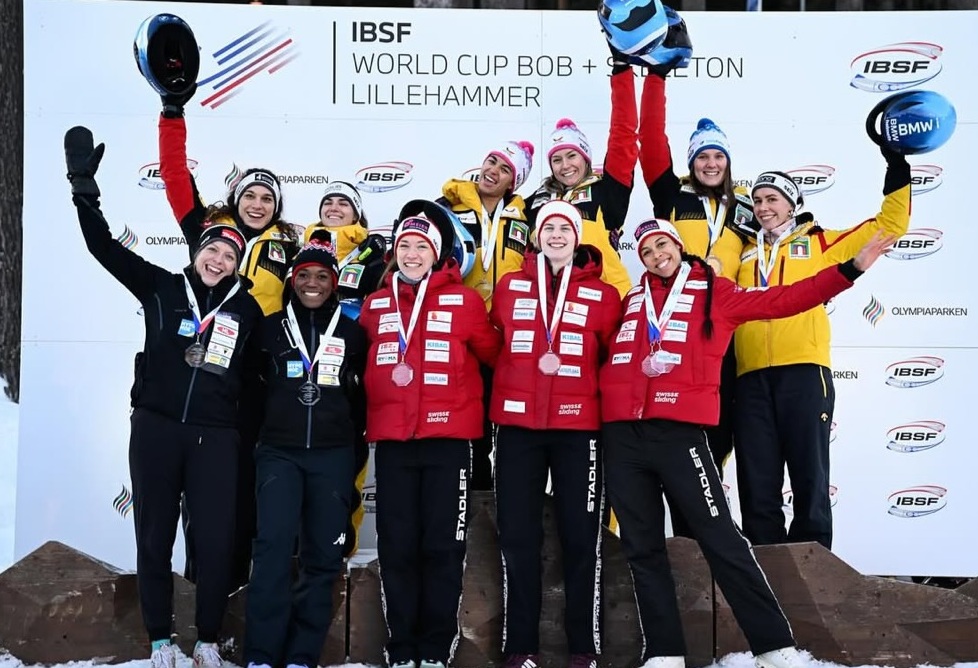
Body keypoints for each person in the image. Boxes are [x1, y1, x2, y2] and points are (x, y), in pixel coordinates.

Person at [599, 217, 894, 668]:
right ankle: (663, 651)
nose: (657, 255)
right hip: (622, 435)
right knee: (642, 547)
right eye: (646, 251)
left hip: (679, 433)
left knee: (722, 539)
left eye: (662, 245)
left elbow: (786, 298)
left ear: (678, 246)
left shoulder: (717, 293)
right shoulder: (631, 300)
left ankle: (775, 646)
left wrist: (849, 270)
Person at [65, 126, 264, 668]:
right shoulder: (159, 288)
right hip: (156, 428)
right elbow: (102, 247)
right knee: (154, 535)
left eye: (229, 254)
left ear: (238, 265)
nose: (218, 260)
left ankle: (205, 638)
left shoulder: (249, 314)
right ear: (198, 252)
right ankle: (158, 640)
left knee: (216, 541)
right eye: (212, 250)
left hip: (217, 439)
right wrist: (85, 190)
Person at [157, 83, 302, 588]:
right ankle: (200, 595)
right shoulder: (210, 234)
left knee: (247, 494)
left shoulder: (291, 247)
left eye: (267, 198)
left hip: (257, 382)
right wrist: (172, 113)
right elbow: (176, 178)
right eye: (250, 195)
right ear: (236, 198)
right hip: (205, 376)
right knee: (203, 495)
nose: (258, 204)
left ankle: (240, 600)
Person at [733, 142, 912, 550]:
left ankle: (813, 568)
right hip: (750, 377)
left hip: (804, 371)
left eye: (773, 199)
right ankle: (763, 566)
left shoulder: (819, 242)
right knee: (756, 480)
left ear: (792, 202)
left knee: (809, 475)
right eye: (758, 200)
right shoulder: (740, 251)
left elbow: (892, 223)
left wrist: (897, 166)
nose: (764, 207)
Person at [360, 204, 502, 668]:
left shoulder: (464, 302)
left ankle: (437, 647)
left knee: (443, 547)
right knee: (397, 546)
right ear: (394, 253)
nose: (413, 253)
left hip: (450, 442)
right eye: (405, 245)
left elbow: (495, 354)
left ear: (437, 253)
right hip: (395, 440)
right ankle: (403, 648)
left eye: (422, 246)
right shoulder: (376, 304)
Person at [489, 201, 621, 668]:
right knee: (518, 537)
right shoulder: (509, 288)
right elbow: (495, 344)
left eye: (566, 228)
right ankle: (519, 645)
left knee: (581, 538)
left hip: (578, 429)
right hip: (517, 428)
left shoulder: (604, 296)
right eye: (549, 228)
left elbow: (609, 359)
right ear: (536, 236)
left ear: (578, 236)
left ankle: (583, 646)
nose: (557, 235)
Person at [635, 18, 751, 535]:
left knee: (719, 437)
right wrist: (657, 78)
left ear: (728, 162)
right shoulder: (672, 198)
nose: (709, 162)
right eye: (702, 156)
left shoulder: (748, 209)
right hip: (673, 335)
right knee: (673, 439)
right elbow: (652, 145)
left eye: (717, 155)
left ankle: (698, 531)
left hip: (725, 340)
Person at [244, 240, 367, 668]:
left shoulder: (353, 333)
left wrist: (352, 449)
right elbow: (251, 393)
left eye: (321, 277)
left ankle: (301, 655)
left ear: (334, 284)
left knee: (322, 558)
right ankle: (261, 654)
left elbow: (362, 399)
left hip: (332, 456)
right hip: (280, 454)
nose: (311, 283)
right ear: (291, 281)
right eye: (303, 276)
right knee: (273, 551)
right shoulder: (269, 329)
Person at [438, 140, 534, 489]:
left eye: (505, 168)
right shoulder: (445, 208)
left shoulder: (528, 219)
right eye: (491, 161)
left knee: (509, 429)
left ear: (514, 182)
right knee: (468, 428)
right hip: (459, 337)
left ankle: (507, 507)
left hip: (507, 341)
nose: (493, 171)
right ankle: (472, 506)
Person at [523, 47, 637, 297]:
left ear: (586, 158)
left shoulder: (607, 191)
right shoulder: (535, 200)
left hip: (606, 301)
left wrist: (621, 69)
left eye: (572, 155)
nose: (565, 166)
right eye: (557, 159)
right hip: (548, 304)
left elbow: (624, 137)